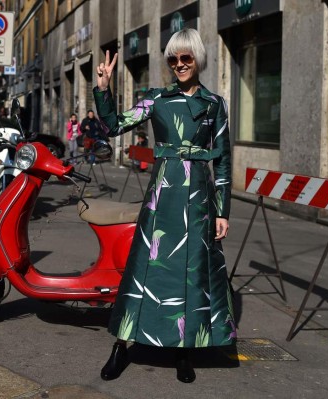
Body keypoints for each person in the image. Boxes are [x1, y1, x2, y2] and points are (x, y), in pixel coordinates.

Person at [94, 28, 234, 383]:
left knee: (191, 275)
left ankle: (183, 352)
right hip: (162, 195)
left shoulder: (215, 104)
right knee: (145, 271)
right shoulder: (156, 98)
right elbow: (113, 126)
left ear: (198, 59)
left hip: (198, 201)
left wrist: (222, 211)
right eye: (173, 59)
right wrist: (103, 88)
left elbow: (222, 161)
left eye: (186, 58)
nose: (179, 65)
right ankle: (121, 346)